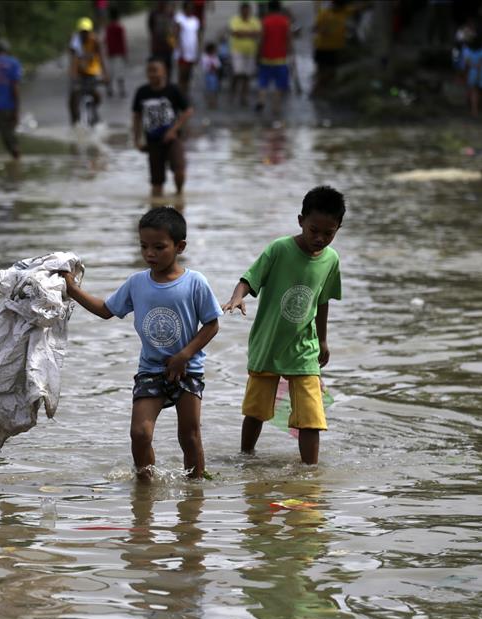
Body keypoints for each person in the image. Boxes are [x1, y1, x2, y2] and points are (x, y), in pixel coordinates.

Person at [61, 207, 222, 480]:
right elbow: (105, 309)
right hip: (151, 369)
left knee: (189, 436)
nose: (150, 254)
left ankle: (195, 493)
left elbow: (212, 324)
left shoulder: (195, 282)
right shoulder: (137, 283)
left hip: (187, 369)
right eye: (144, 246)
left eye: (159, 247)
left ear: (179, 246)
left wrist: (185, 354)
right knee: (140, 433)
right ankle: (145, 489)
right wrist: (74, 291)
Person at [221, 185, 345, 465]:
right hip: (268, 344)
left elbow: (322, 300)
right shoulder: (279, 249)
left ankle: (309, 474)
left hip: (304, 348)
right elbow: (250, 278)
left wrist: (323, 340)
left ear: (338, 228)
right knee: (256, 411)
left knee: (312, 417)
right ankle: (246, 458)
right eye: (314, 230)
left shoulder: (331, 260)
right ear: (300, 220)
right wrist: (236, 297)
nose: (320, 238)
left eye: (329, 233)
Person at [132, 57, 194, 198]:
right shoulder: (142, 92)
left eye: (155, 71)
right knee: (156, 182)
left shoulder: (173, 90)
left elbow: (188, 111)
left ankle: (179, 197)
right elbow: (136, 116)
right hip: (152, 140)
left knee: (180, 170)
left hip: (173, 138)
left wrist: (173, 130)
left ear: (164, 72)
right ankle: (156, 210)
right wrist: (137, 140)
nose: (152, 74)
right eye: (149, 71)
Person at [256, 0, 292, 117]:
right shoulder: (285, 22)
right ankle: (276, 108)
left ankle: (261, 101)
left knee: (263, 83)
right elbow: (289, 39)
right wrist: (290, 51)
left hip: (266, 57)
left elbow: (261, 40)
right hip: (280, 58)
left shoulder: (265, 21)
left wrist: (259, 54)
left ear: (269, 9)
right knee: (279, 86)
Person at [69, 17, 108, 126]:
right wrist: (73, 75)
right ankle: (74, 120)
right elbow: (74, 60)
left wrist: (105, 74)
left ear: (90, 31)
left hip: (92, 71)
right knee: (74, 96)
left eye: (86, 32)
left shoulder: (95, 41)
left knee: (96, 94)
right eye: (82, 32)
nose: (84, 34)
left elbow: (101, 58)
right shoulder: (75, 42)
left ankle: (94, 109)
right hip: (79, 72)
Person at [228, 2, 262, 107]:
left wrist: (243, 33)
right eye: (244, 10)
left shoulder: (255, 21)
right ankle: (233, 92)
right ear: (241, 10)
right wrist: (250, 33)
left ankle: (244, 96)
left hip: (251, 51)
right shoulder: (235, 20)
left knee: (247, 75)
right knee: (238, 73)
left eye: (248, 10)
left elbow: (258, 33)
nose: (246, 12)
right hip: (237, 50)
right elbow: (235, 33)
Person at [174, 1, 202, 96]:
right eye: (188, 8)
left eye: (192, 8)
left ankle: (186, 94)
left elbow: (198, 36)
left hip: (192, 51)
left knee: (189, 75)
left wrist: (198, 51)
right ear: (184, 8)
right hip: (183, 52)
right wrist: (178, 47)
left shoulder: (195, 20)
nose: (190, 10)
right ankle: (179, 94)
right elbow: (176, 34)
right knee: (182, 74)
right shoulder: (180, 19)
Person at [461, 33, 482, 117]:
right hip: (481, 72)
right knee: (478, 90)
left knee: (474, 91)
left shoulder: (468, 50)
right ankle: (475, 109)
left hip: (472, 71)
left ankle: (474, 109)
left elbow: (467, 62)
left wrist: (473, 66)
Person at [148, 1, 176, 79]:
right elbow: (151, 28)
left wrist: (173, 44)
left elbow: (172, 31)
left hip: (167, 48)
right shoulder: (153, 14)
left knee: (168, 70)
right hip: (157, 48)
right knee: (157, 70)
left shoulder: (170, 14)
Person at [105, 7, 128, 98]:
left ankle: (109, 89)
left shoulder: (108, 28)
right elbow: (123, 41)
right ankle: (121, 90)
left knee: (110, 72)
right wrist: (125, 53)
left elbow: (106, 40)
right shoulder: (119, 28)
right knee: (120, 72)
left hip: (110, 53)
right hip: (118, 53)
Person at [201, 42, 222, 109]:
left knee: (214, 88)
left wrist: (214, 67)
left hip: (214, 75)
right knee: (209, 88)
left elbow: (218, 65)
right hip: (209, 74)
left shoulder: (215, 57)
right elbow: (204, 66)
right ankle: (210, 101)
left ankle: (214, 101)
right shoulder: (205, 57)